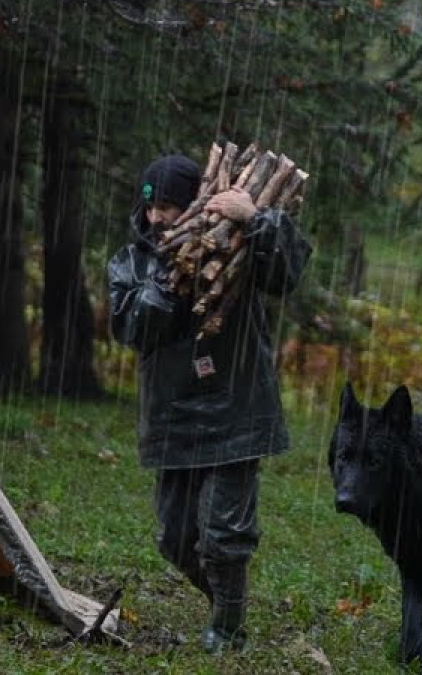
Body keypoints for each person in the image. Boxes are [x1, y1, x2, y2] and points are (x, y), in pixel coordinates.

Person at [108, 152, 311, 652]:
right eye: (150, 207)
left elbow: (286, 272)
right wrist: (166, 286)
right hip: (172, 416)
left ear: (197, 202)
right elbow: (130, 327)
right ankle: (228, 601)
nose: (157, 217)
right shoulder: (132, 261)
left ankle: (228, 630)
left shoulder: (237, 241)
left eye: (168, 206)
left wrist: (257, 219)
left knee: (223, 535)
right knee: (175, 540)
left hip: (236, 407)